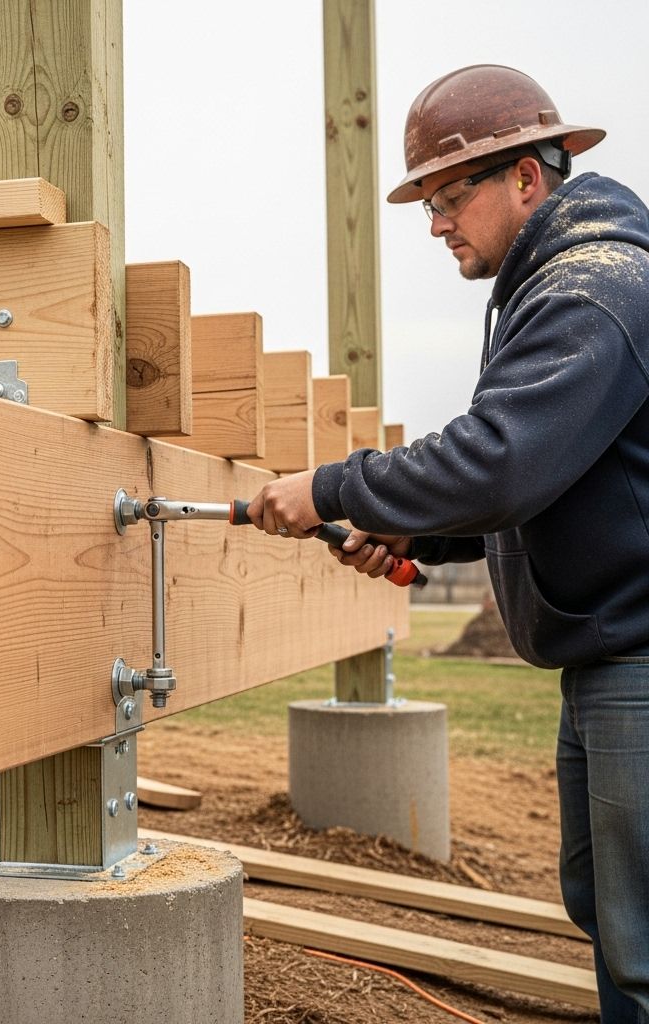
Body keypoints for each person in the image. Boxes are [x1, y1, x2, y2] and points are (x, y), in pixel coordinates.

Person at [246, 64, 649, 1020]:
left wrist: (332, 486)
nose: (434, 224)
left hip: (638, 660)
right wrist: (415, 531)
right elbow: (555, 486)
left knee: (641, 943)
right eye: (428, 202)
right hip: (608, 658)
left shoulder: (593, 287)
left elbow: (501, 461)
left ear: (526, 177)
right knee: (606, 908)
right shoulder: (553, 284)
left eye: (448, 196)